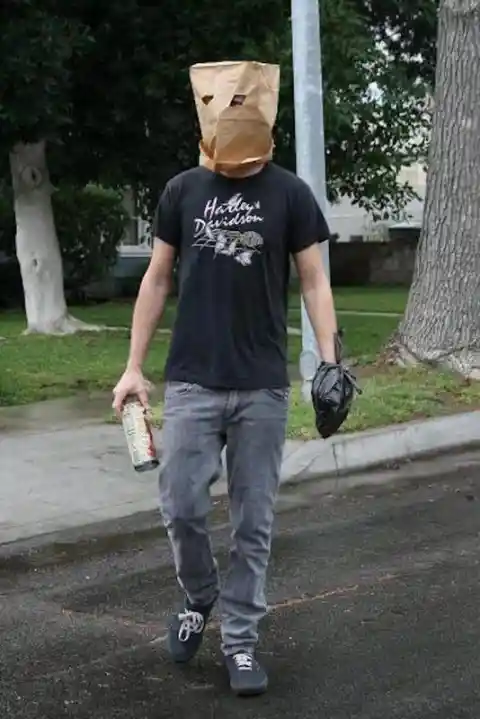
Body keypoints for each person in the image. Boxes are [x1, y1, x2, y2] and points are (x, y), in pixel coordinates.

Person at [113, 60, 338, 697]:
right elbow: (156, 279)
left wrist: (331, 360)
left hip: (262, 384)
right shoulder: (182, 190)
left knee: (252, 521)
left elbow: (316, 282)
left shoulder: (290, 194)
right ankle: (199, 596)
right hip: (191, 382)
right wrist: (133, 367)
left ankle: (241, 641)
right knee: (180, 505)